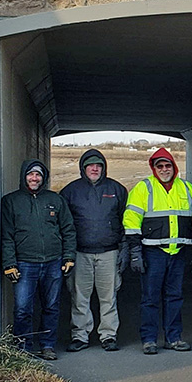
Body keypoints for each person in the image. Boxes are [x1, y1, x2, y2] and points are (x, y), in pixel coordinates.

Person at [123, 147, 192, 355]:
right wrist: (135, 252)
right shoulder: (143, 188)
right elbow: (131, 221)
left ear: (173, 167)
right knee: (150, 298)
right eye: (160, 166)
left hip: (179, 252)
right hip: (153, 253)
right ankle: (149, 339)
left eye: (168, 165)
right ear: (154, 168)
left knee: (174, 296)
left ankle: (173, 338)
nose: (164, 169)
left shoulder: (187, 188)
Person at [0, 159, 77, 360]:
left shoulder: (55, 200)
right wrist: (9, 263)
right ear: (24, 176)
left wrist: (68, 256)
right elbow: (6, 235)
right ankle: (22, 347)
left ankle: (47, 345)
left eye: (38, 175)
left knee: (51, 306)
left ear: (44, 178)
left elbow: (68, 229)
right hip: (25, 263)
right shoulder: (11, 201)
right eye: (31, 174)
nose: (34, 178)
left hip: (53, 262)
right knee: (23, 308)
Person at [59, 148, 128, 353]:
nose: (95, 168)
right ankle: (80, 336)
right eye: (90, 165)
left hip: (109, 252)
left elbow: (127, 221)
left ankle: (108, 335)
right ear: (83, 168)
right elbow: (62, 225)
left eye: (98, 165)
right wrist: (66, 253)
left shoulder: (117, 189)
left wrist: (124, 249)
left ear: (104, 167)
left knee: (109, 296)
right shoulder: (70, 191)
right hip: (80, 253)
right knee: (79, 297)